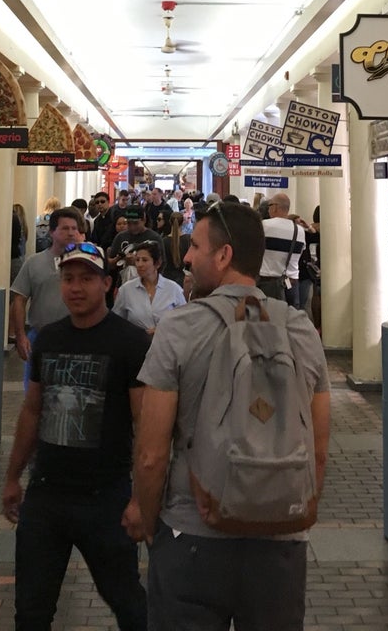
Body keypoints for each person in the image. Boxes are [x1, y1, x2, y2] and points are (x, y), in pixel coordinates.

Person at [126, 202, 330, 631]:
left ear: (223, 256)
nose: (185, 256)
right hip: (280, 543)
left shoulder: (179, 328)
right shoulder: (301, 330)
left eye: (195, 247)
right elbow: (319, 451)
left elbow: (151, 454)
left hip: (193, 535)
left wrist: (151, 527)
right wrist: (293, 510)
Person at [2, 241, 150, 631]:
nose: (76, 287)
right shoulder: (48, 339)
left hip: (107, 498)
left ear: (107, 284)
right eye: (68, 279)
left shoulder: (131, 342)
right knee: (32, 610)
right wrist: (12, 476)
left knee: (128, 602)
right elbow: (33, 410)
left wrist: (141, 499)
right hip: (47, 495)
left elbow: (144, 424)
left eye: (87, 278)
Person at [10, 207, 85, 369]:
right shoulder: (34, 263)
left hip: (77, 337)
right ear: (52, 232)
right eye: (65, 228)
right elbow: (19, 299)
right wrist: (20, 336)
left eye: (74, 228)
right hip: (41, 337)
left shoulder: (86, 263)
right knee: (36, 388)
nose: (71, 233)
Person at [113, 239, 185, 334]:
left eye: (145, 260)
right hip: (136, 345)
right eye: (137, 260)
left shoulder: (173, 289)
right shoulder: (126, 290)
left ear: (157, 263)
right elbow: (116, 322)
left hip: (167, 344)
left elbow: (184, 322)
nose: (139, 264)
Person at [258, 192, 305, 302]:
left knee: (271, 315)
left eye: (269, 206)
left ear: (274, 208)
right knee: (291, 316)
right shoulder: (299, 231)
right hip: (292, 283)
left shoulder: (263, 226)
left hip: (269, 284)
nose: (268, 209)